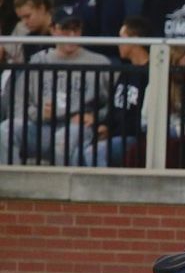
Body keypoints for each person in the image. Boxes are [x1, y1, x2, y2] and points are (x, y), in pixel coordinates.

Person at [1, 13, 110, 166]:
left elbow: (114, 104)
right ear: (53, 30)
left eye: (76, 30)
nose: (71, 35)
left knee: (63, 139)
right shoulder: (38, 61)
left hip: (76, 128)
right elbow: (19, 105)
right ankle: (10, 185)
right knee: (5, 130)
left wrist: (95, 117)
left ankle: (60, 189)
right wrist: (39, 113)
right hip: (41, 127)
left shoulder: (100, 63)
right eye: (65, 30)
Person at [84, 16, 151, 167]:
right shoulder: (126, 70)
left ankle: (102, 191)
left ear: (135, 40)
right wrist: (106, 125)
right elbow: (115, 106)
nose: (118, 43)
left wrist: (114, 131)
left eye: (122, 37)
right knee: (78, 147)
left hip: (134, 137)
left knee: (94, 152)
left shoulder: (151, 72)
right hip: (115, 133)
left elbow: (141, 115)